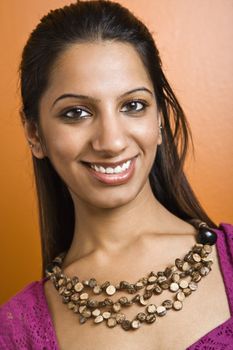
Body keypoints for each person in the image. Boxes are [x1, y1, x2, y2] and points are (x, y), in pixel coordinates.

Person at [0, 1, 232, 349]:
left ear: (159, 120)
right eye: (76, 112)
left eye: (133, 105)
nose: (111, 141)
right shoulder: (15, 332)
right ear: (35, 134)